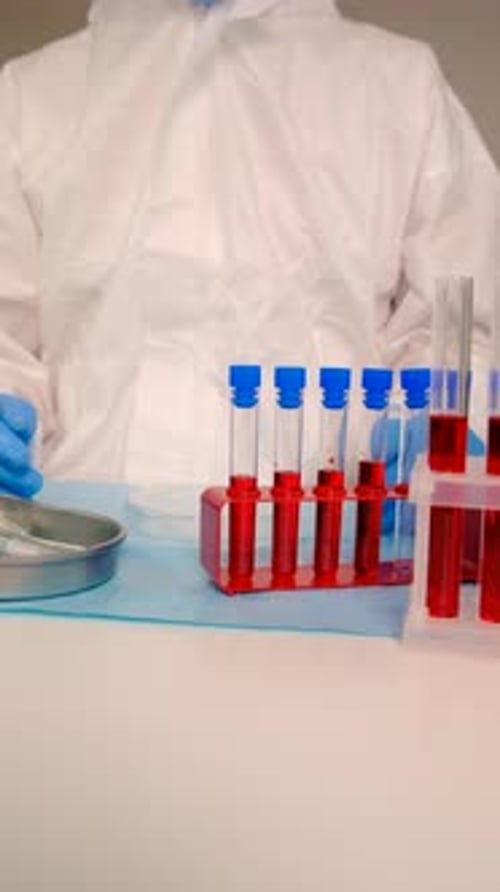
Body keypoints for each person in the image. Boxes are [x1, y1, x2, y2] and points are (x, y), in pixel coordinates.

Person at [0, 0, 498, 498]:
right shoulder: (32, 93)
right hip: (79, 532)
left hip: (330, 534)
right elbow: (8, 339)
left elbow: (458, 324)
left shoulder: (397, 85)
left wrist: (439, 424)